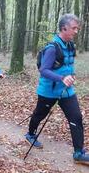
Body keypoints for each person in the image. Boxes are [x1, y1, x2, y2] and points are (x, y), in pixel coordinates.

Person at [25, 14, 89, 164]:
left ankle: (78, 153)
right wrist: (61, 78)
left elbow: (67, 65)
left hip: (67, 91)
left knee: (76, 118)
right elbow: (43, 70)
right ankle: (30, 134)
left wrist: (70, 75)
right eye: (73, 28)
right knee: (39, 114)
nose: (76, 31)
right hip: (49, 91)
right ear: (63, 28)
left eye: (77, 29)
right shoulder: (52, 48)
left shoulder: (70, 45)